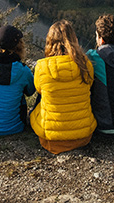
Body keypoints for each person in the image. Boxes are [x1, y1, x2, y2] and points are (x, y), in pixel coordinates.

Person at [30, 20, 97, 153]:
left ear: (49, 42)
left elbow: (38, 90)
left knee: (40, 100)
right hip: (83, 136)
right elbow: (89, 85)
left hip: (51, 140)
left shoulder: (42, 67)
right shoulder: (85, 64)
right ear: (74, 40)